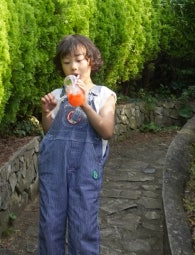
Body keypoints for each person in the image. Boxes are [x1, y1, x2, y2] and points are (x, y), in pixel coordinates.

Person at [38, 34, 117, 255]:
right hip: (54, 169)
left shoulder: (104, 95)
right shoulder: (57, 95)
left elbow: (106, 130)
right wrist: (46, 113)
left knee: (83, 226)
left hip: (85, 169)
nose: (73, 67)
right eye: (66, 62)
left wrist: (84, 104)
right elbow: (50, 134)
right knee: (50, 223)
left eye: (79, 59)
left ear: (91, 60)